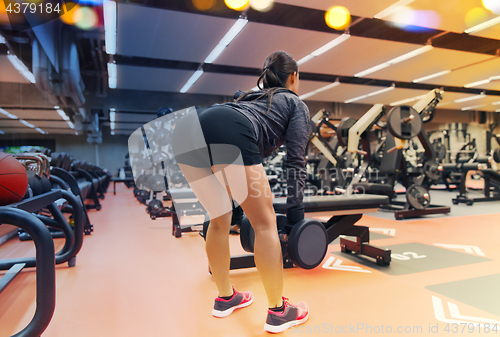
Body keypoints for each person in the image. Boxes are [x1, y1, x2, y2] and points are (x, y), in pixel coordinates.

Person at [171, 50, 310, 333]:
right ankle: (279, 311)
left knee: (219, 218)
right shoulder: (295, 103)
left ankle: (225, 298)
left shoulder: (249, 97)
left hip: (186, 130)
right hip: (227, 126)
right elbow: (296, 159)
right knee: (265, 223)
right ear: (294, 77)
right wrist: (296, 213)